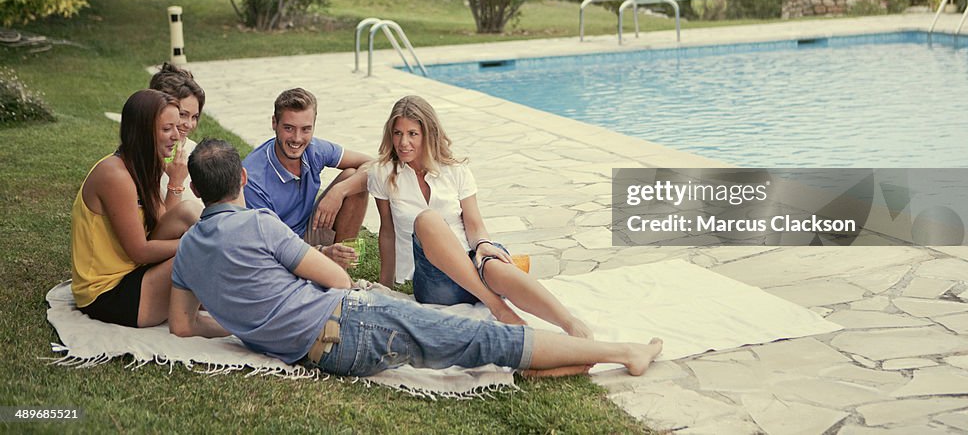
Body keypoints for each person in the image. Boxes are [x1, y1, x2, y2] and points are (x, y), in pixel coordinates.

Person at [170, 138, 663, 378]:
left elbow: (184, 326)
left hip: (320, 354)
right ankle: (624, 352)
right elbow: (337, 280)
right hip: (351, 326)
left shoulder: (187, 253)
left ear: (196, 187)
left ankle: (552, 357)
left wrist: (243, 323)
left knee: (473, 345)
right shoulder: (259, 224)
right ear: (240, 182)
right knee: (483, 337)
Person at [369, 95, 592, 338]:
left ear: (428, 134)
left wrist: (484, 245)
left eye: (413, 133)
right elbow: (387, 232)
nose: (403, 142)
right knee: (427, 220)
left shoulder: (456, 170)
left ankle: (569, 323)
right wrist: (386, 287)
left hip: (472, 261)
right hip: (435, 281)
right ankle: (499, 308)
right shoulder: (383, 174)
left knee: (493, 262)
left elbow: (474, 225)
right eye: (398, 133)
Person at [71, 89, 202, 327]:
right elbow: (140, 251)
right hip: (108, 293)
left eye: (177, 126)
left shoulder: (143, 165)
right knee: (202, 253)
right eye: (166, 129)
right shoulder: (115, 175)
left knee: (188, 211)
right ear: (142, 132)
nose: (176, 136)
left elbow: (164, 226)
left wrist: (174, 183)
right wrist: (197, 242)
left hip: (136, 273)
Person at [242, 88, 371, 269]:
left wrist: (338, 192)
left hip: (308, 229)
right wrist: (321, 252)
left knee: (352, 178)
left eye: (305, 129)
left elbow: (374, 165)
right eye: (288, 128)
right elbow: (270, 247)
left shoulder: (314, 149)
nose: (297, 138)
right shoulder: (253, 180)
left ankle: (339, 271)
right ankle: (328, 272)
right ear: (274, 123)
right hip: (277, 251)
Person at [148, 62, 205, 204]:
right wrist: (176, 182)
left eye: (194, 117)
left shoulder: (197, 152)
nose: (189, 124)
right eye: (183, 114)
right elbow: (161, 225)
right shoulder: (142, 159)